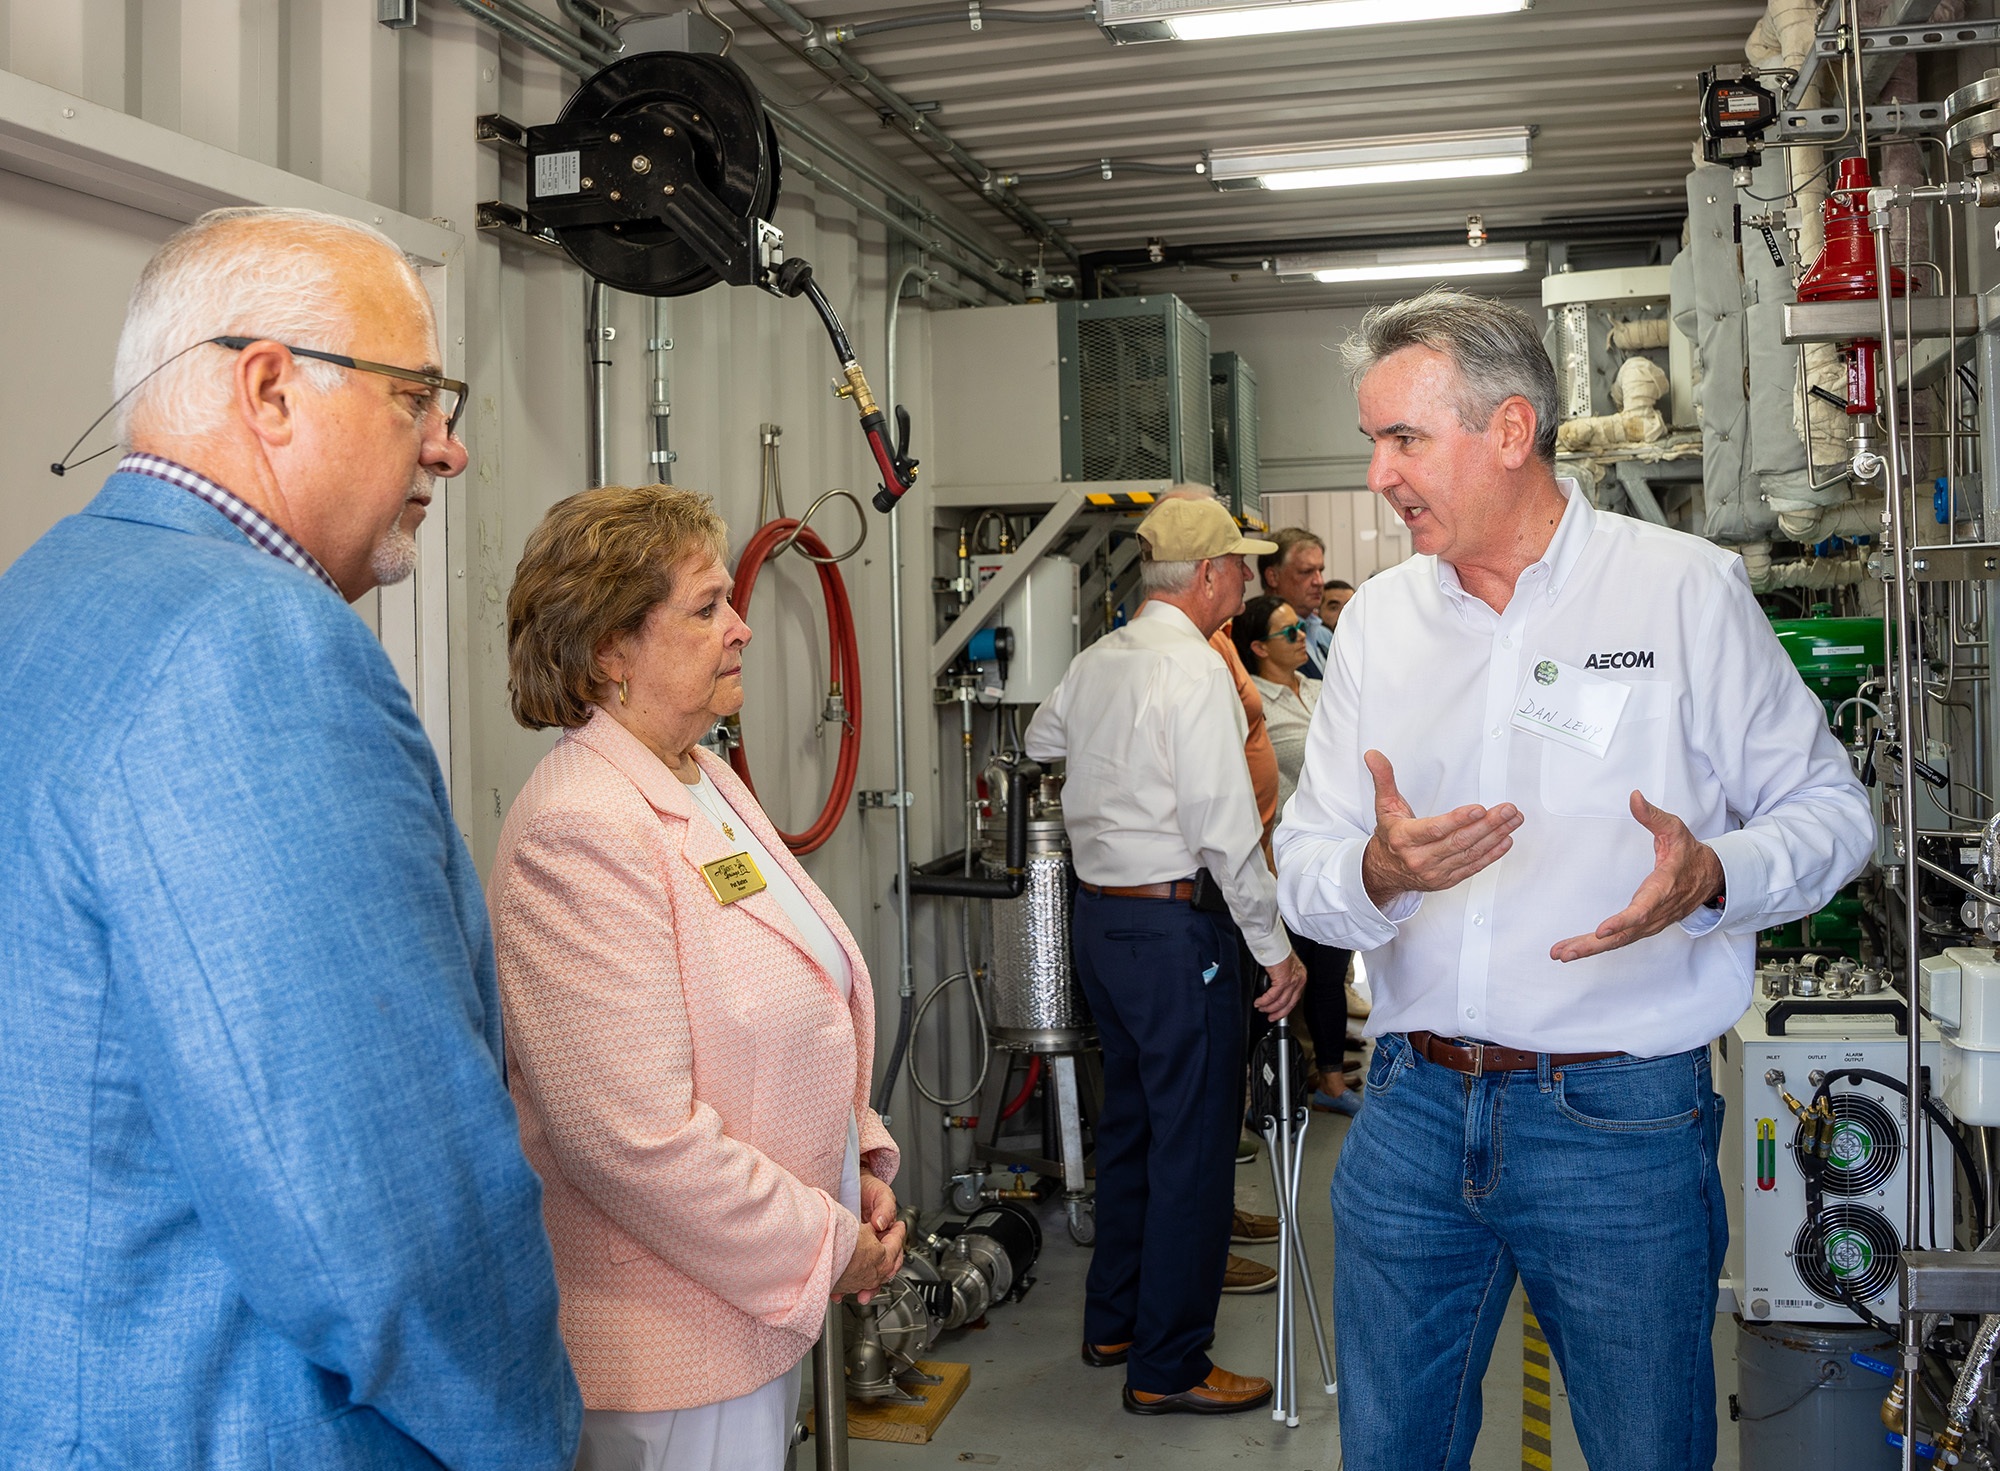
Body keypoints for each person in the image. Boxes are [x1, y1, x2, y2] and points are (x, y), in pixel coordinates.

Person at [0, 207, 580, 1467]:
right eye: (418, 397)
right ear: (268, 388)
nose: (451, 447)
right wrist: (526, 1437)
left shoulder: (39, 602)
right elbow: (383, 1213)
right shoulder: (252, 649)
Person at [1273, 289, 1874, 1470]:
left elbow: (1831, 814)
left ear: (1508, 429)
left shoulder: (1680, 590)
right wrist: (1376, 871)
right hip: (1407, 1113)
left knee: (1645, 1447)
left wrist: (1711, 875)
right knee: (1390, 1449)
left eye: (1403, 439)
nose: (1377, 475)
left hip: (1619, 1125)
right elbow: (1304, 870)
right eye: (1370, 441)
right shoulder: (1381, 624)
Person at [492, 483, 904, 1471]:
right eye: (707, 605)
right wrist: (821, 1243)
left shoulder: (698, 775)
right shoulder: (579, 827)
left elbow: (799, 1003)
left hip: (748, 1309)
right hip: (669, 1342)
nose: (743, 628)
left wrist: (857, 1165)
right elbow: (632, 1141)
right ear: (609, 649)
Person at [1025, 496, 1307, 1416]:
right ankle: (1170, 1363)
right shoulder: (1193, 673)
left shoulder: (1101, 659)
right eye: (1240, 566)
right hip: (1177, 929)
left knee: (1135, 1129)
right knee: (1191, 1147)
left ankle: (1113, 1321)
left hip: (1103, 926)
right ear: (1210, 577)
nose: (1246, 580)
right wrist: (1276, 953)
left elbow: (1041, 739)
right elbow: (1228, 834)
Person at [1231, 595, 1357, 1116]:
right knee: (1280, 982)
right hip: (1281, 862)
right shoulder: (1249, 701)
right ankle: (1269, 1090)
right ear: (1258, 648)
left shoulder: (1318, 689)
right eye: (1288, 633)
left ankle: (1330, 1080)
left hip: (1336, 854)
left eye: (1300, 629)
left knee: (1329, 974)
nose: (1302, 637)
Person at [1259, 527, 1329, 677]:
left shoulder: (1324, 635)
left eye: (1320, 571)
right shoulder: (1262, 637)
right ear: (1273, 577)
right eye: (1306, 572)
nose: (1319, 581)